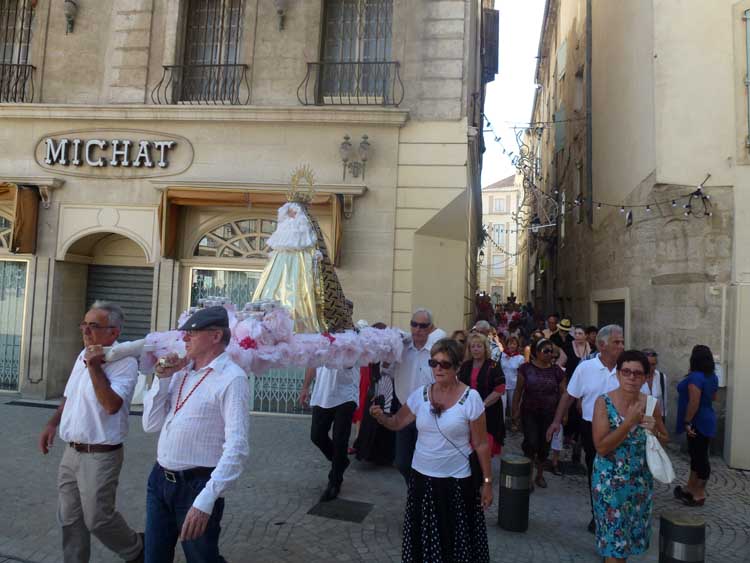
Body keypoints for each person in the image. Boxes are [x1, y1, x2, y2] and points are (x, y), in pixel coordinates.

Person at [142, 306, 250, 562]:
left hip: (197, 485)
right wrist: (162, 378)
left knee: (201, 558)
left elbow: (237, 446)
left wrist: (207, 500)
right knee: (154, 557)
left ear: (214, 336)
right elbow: (150, 424)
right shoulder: (181, 372)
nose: (185, 338)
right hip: (159, 480)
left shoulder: (232, 379)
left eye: (192, 332)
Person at [38, 301, 143, 563]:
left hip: (101, 455)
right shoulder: (81, 354)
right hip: (71, 451)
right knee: (70, 519)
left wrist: (95, 366)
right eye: (84, 325)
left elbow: (111, 405)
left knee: (98, 518)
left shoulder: (125, 362)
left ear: (114, 332)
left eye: (93, 326)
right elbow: (70, 396)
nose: (85, 331)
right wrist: (52, 423)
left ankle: (137, 550)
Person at [370, 338, 492, 562]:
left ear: (457, 367)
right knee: (423, 541)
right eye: (433, 363)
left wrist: (486, 483)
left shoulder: (471, 399)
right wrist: (381, 417)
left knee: (454, 543)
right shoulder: (420, 395)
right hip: (422, 481)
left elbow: (482, 444)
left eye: (444, 364)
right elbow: (397, 422)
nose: (437, 369)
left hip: (456, 483)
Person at [547, 325, 626, 533]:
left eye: (622, 342)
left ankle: (618, 514)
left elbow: (646, 396)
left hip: (622, 429)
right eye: (616, 342)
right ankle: (598, 514)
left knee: (620, 473)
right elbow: (569, 395)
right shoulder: (586, 368)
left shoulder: (627, 369)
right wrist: (556, 421)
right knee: (596, 473)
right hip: (592, 428)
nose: (621, 346)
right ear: (601, 345)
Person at [592, 350, 668, 562]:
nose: (631, 377)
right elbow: (601, 447)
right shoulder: (603, 402)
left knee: (626, 545)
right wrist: (628, 423)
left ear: (645, 377)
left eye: (637, 373)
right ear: (617, 374)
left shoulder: (651, 404)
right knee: (614, 547)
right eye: (626, 372)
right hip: (609, 483)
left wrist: (654, 431)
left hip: (639, 482)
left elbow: (665, 438)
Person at [392, 308, 447, 483]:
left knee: (424, 462)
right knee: (401, 462)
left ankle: (419, 496)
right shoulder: (402, 348)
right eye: (414, 324)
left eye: (422, 326)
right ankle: (415, 489)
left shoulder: (436, 353)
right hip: (404, 410)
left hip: (428, 413)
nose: (417, 329)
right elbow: (387, 371)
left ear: (430, 328)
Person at [300, 363, 360, 501]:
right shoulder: (319, 340)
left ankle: (335, 481)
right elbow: (312, 361)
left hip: (346, 394)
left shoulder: (353, 340)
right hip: (322, 393)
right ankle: (340, 462)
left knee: (340, 440)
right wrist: (305, 387)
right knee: (316, 435)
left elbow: (351, 363)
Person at [512, 338, 566, 489]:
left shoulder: (557, 371)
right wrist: (515, 409)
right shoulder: (525, 369)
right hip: (529, 411)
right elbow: (518, 390)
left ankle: (540, 474)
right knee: (531, 442)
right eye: (546, 351)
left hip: (549, 413)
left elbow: (564, 393)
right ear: (536, 353)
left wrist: (563, 414)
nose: (550, 354)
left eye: (551, 351)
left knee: (544, 445)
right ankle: (528, 476)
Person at [674, 345, 719, 507]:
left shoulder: (695, 377)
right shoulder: (712, 376)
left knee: (700, 457)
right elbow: (713, 397)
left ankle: (699, 493)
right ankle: (689, 488)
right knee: (696, 454)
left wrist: (687, 421)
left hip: (697, 420)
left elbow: (694, 402)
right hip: (708, 417)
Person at [458, 332, 506, 458]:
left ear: (485, 348)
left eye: (479, 346)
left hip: (489, 411)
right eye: (473, 346)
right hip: (467, 411)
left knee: (485, 450)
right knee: (468, 449)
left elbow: (500, 389)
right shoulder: (465, 366)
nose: (475, 349)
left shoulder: (493, 365)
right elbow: (459, 387)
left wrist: (482, 405)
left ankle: (485, 476)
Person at [563, 325, 591, 464]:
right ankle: (569, 437)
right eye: (576, 333)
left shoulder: (591, 349)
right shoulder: (568, 347)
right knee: (570, 411)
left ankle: (579, 443)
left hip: (586, 386)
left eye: (581, 333)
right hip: (571, 384)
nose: (578, 336)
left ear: (586, 335)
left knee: (582, 413)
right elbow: (561, 363)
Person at [500, 336, 525, 424]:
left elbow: (522, 373)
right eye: (510, 343)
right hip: (502, 384)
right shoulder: (502, 355)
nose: (512, 346)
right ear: (507, 345)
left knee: (512, 406)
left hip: (514, 385)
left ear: (517, 345)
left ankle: (514, 422)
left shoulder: (520, 358)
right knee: (502, 406)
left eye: (514, 344)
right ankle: (501, 424)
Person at [642, 348, 667, 418]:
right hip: (639, 420)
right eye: (648, 364)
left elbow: (663, 402)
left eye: (653, 364)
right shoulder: (635, 378)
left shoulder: (661, 377)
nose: (650, 367)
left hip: (657, 419)